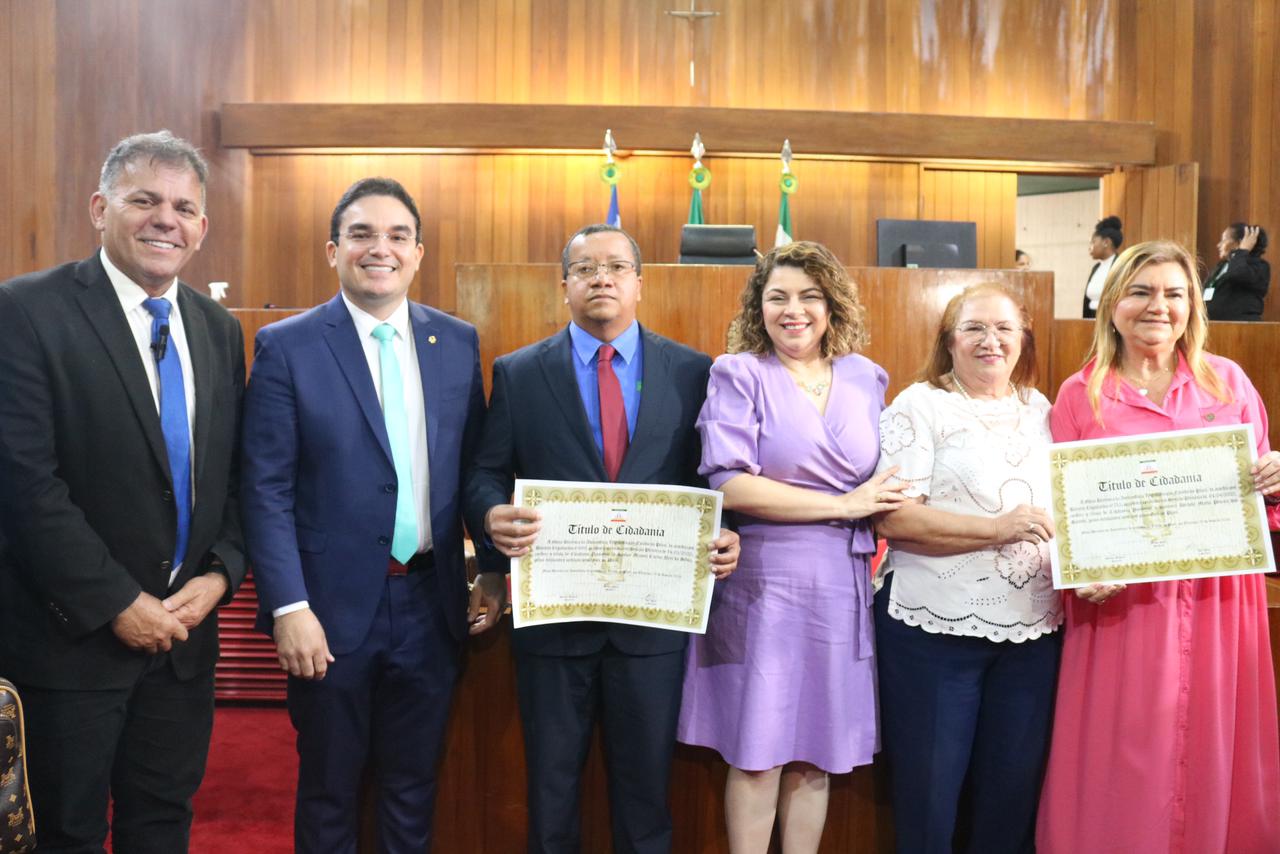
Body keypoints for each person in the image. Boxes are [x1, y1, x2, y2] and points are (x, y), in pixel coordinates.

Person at [0, 130, 246, 852]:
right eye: (144, 200)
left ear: (202, 227)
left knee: (162, 824)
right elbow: (22, 482)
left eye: (183, 206)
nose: (164, 218)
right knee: (65, 834)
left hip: (182, 642)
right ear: (100, 208)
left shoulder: (218, 328)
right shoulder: (25, 311)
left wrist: (221, 574)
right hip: (67, 640)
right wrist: (117, 603)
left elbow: (231, 476)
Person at [240, 177, 502, 853]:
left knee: (412, 790)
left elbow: (473, 470)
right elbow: (264, 489)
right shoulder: (287, 346)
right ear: (333, 250)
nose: (379, 248)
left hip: (431, 605)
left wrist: (494, 573)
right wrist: (287, 608)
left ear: (418, 253)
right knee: (330, 791)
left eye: (396, 236)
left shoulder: (457, 340)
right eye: (361, 234)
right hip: (328, 613)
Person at [465, 223, 741, 854]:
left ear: (640, 284)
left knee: (646, 801)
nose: (602, 278)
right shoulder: (519, 372)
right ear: (564, 285)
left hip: (652, 626)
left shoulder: (695, 372)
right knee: (552, 795)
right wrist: (489, 516)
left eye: (616, 267)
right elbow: (484, 471)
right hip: (554, 621)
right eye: (585, 268)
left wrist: (731, 533)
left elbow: (720, 476)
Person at [1037, 240, 1280, 853]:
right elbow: (1060, 516)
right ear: (1113, 303)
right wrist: (1074, 571)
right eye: (1141, 291)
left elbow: (1262, 501)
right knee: (1127, 752)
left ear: (1193, 306)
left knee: (1213, 745)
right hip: (1123, 609)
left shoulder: (1228, 382)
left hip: (1221, 601)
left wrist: (1275, 476)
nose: (1158, 306)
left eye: (1174, 293)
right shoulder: (1080, 395)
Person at [677, 241, 907, 853]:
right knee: (758, 751)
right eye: (777, 297)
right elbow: (730, 480)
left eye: (809, 296)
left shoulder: (867, 376)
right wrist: (844, 505)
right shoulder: (739, 372)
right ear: (760, 307)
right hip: (763, 582)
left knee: (816, 752)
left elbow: (886, 475)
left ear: (831, 306)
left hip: (842, 580)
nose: (793, 310)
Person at [871, 283, 1061, 854]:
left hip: (1033, 634)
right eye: (974, 327)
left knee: (1010, 798)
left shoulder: (1042, 409)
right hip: (935, 633)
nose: (991, 340)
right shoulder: (919, 404)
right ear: (948, 339)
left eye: (1004, 328)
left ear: (1022, 338)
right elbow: (893, 519)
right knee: (930, 799)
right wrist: (997, 529)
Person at [1204, 222, 1270, 320]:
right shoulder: (1222, 265)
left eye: (1224, 240)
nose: (1219, 245)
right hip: (1214, 325)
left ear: (1239, 243)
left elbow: (1237, 274)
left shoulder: (1259, 266)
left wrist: (1242, 251)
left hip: (1240, 328)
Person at [1082, 215, 1123, 318]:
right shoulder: (1096, 268)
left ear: (1106, 242)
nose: (1090, 247)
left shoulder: (1120, 265)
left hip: (1110, 320)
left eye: (1093, 242)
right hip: (1091, 319)